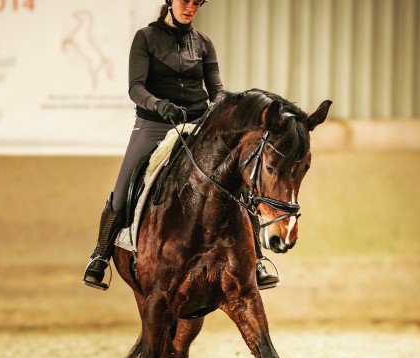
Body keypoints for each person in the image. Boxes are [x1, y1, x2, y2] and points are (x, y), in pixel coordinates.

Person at [83, 0, 279, 291]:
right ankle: (100, 256)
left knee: (237, 180)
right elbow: (135, 87)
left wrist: (230, 107)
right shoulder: (145, 38)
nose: (191, 8)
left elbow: (216, 90)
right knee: (124, 187)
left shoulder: (203, 43)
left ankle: (258, 261)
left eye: (197, 3)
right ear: (169, 2)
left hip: (199, 123)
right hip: (155, 123)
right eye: (185, 1)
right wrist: (159, 105)